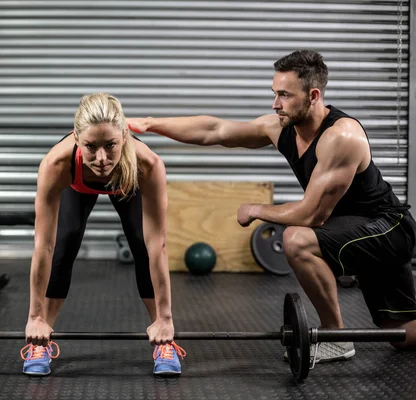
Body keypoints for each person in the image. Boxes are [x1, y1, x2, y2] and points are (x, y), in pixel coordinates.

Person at [127, 49, 416, 363]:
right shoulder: (282, 128)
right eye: (275, 93)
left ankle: (335, 337)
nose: (275, 103)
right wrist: (150, 123)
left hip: (387, 228)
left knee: (297, 239)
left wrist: (255, 209)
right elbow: (216, 131)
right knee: (402, 335)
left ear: (313, 95)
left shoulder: (341, 137)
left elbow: (311, 215)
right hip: (352, 230)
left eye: (284, 95)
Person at [20, 92, 186, 376]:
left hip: (127, 179)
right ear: (76, 138)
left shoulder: (148, 165)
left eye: (110, 145)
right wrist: (33, 316)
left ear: (124, 136)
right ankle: (41, 338)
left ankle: (163, 338)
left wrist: (167, 318)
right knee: (65, 239)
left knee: (141, 243)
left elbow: (157, 245)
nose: (100, 159)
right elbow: (43, 247)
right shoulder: (56, 165)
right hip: (78, 186)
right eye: (90, 146)